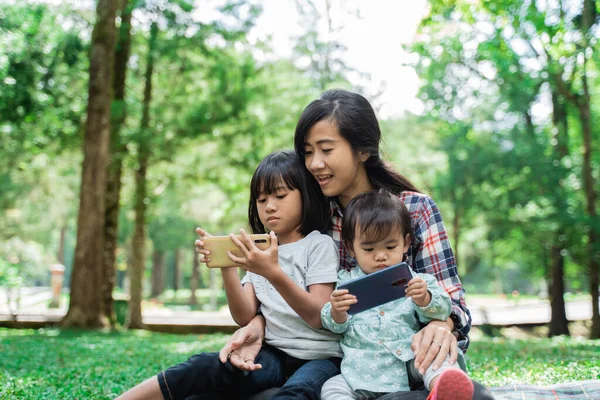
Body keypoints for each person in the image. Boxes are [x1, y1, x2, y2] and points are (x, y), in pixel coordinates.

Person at [206, 89, 494, 400]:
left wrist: (443, 322)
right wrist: (261, 320)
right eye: (307, 152)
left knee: (474, 396)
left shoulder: (414, 209)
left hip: (407, 364)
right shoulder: (312, 221)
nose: (315, 164)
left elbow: (455, 303)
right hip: (339, 372)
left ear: (363, 150)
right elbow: (297, 296)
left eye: (326, 150)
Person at [116, 150, 343, 400]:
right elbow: (244, 315)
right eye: (261, 199)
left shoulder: (318, 245)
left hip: (320, 357)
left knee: (297, 392)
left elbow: (318, 315)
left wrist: (273, 272)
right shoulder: (256, 251)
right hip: (272, 353)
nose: (269, 206)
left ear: (306, 196)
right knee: (208, 366)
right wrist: (226, 265)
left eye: (280, 195)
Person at [320, 190, 474, 400]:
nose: (381, 255)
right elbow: (334, 324)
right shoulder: (345, 283)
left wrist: (425, 299)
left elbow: (443, 309)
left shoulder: (416, 280)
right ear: (351, 248)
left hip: (409, 360)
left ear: (406, 243)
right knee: (332, 389)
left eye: (390, 246)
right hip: (359, 370)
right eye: (368, 248)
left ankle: (443, 390)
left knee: (438, 358)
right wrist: (337, 311)